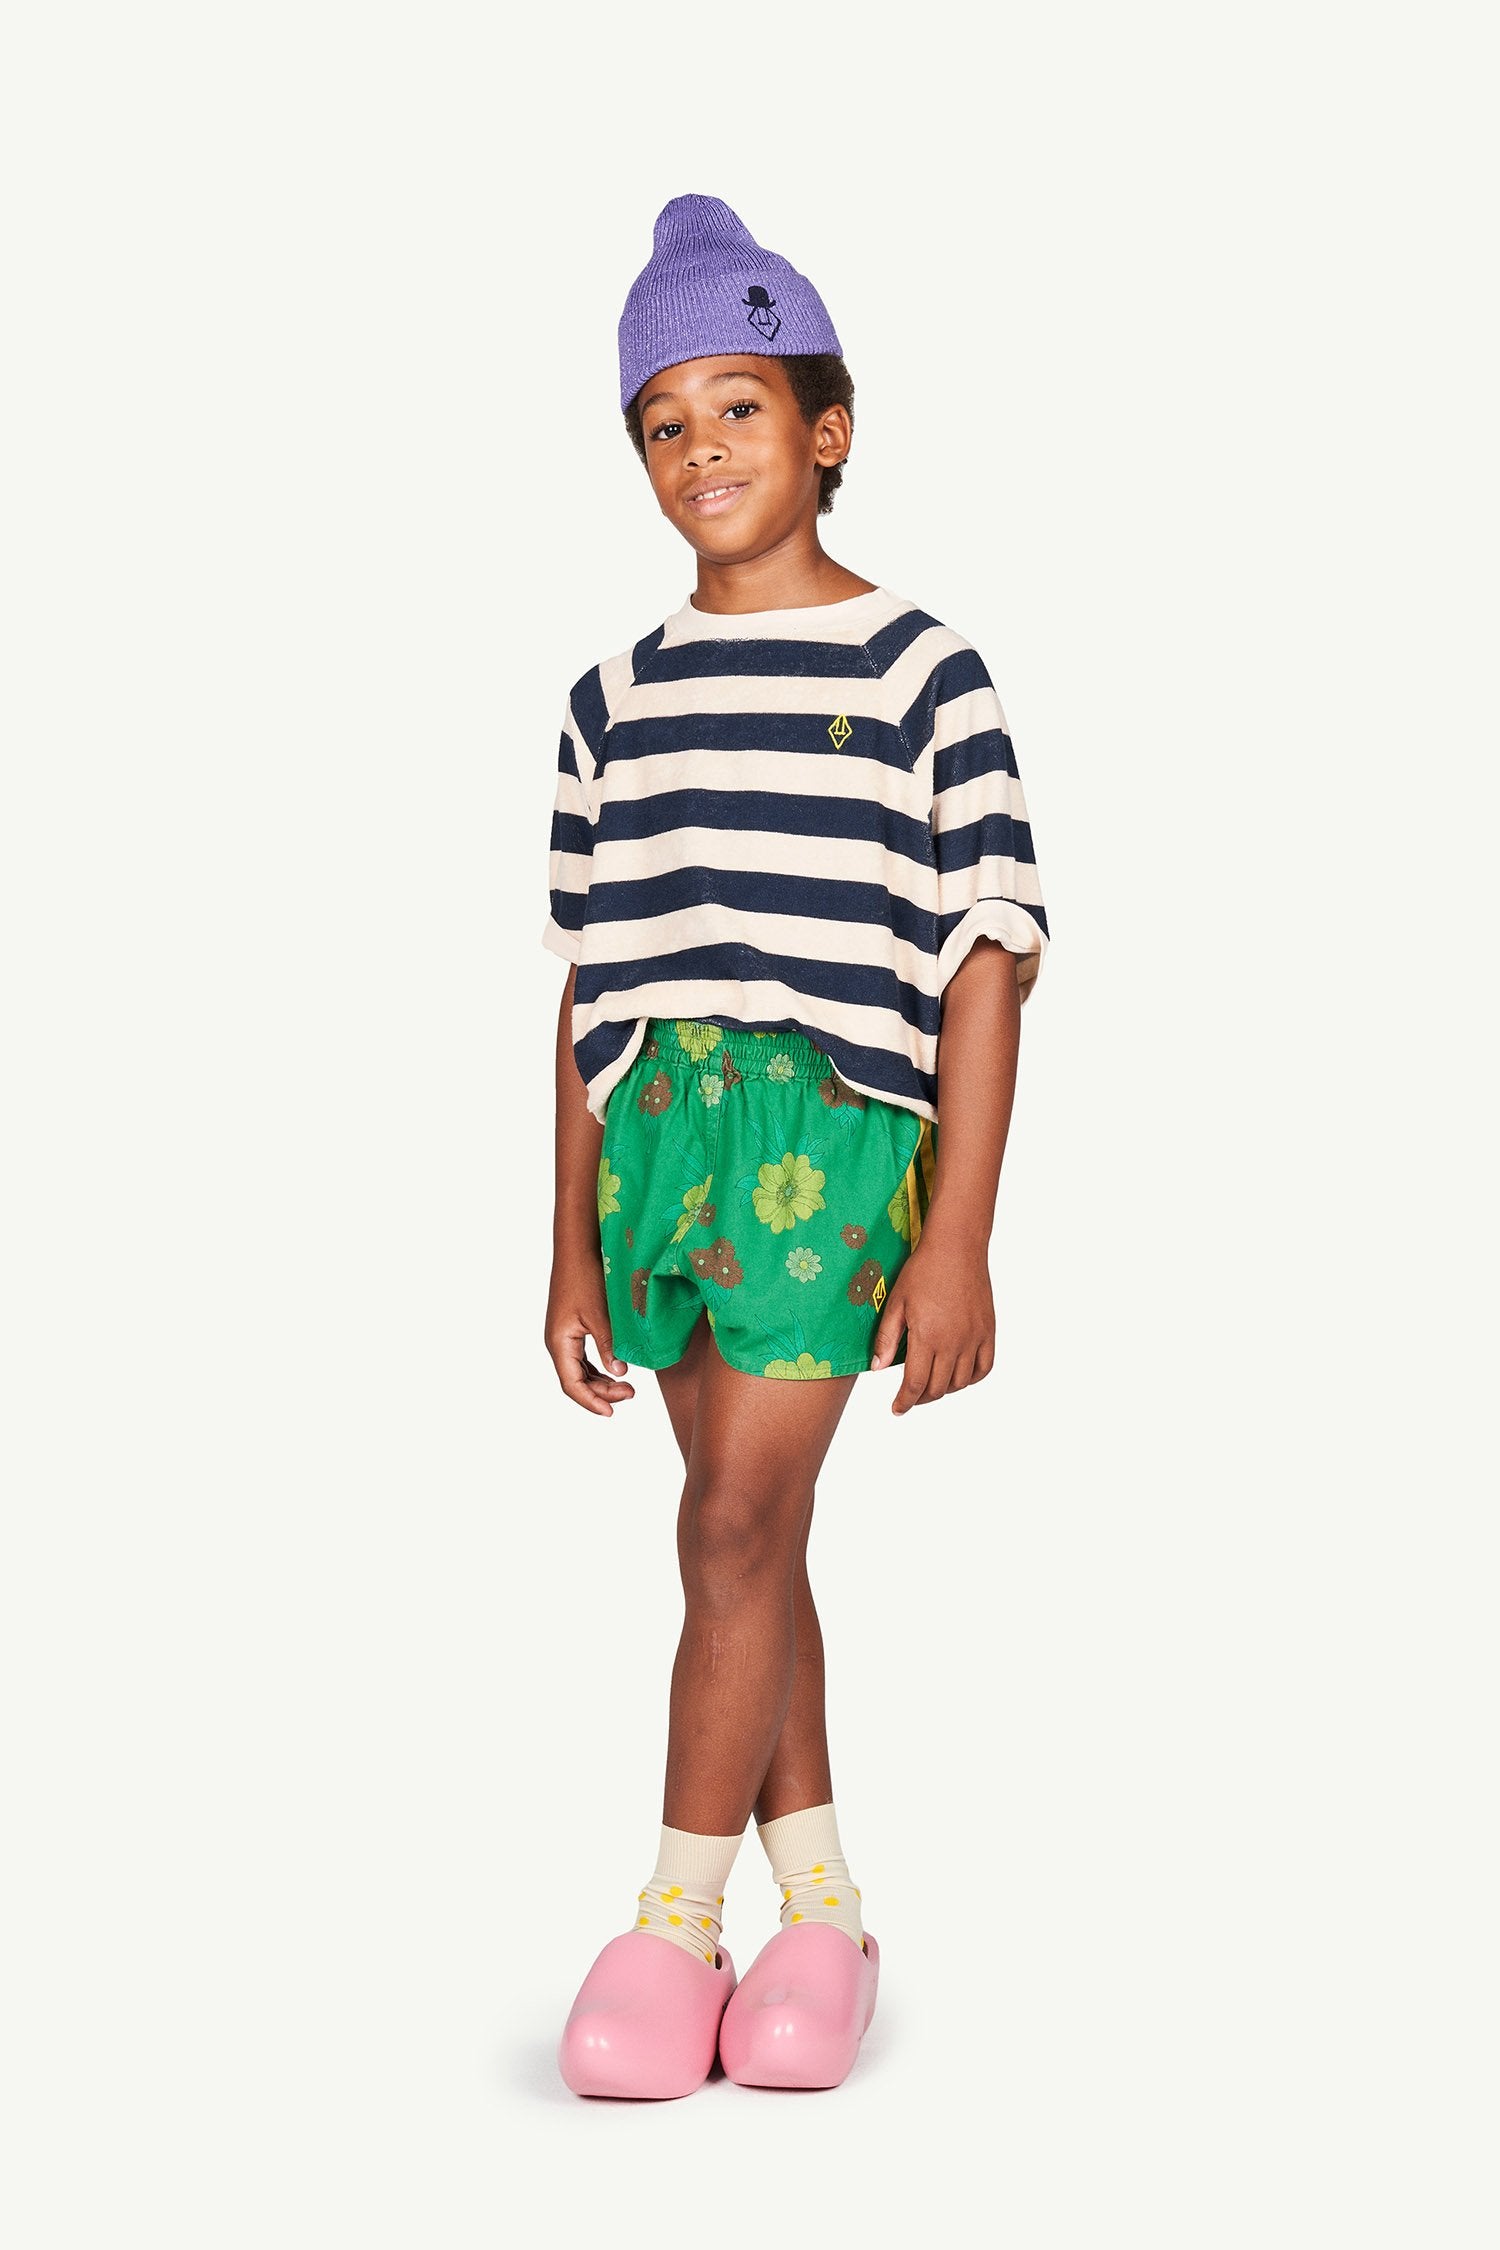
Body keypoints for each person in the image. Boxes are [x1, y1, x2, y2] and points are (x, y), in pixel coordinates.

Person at [542, 194, 1050, 2097]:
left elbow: (987, 958)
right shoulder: (611, 700)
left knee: (734, 1527)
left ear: (827, 427)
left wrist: (960, 1232)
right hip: (661, 1141)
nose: (701, 449)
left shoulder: (924, 668)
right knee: (742, 1543)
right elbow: (588, 984)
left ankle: (674, 1922)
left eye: (738, 406)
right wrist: (570, 1239)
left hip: (826, 1141)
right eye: (661, 422)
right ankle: (822, 1915)